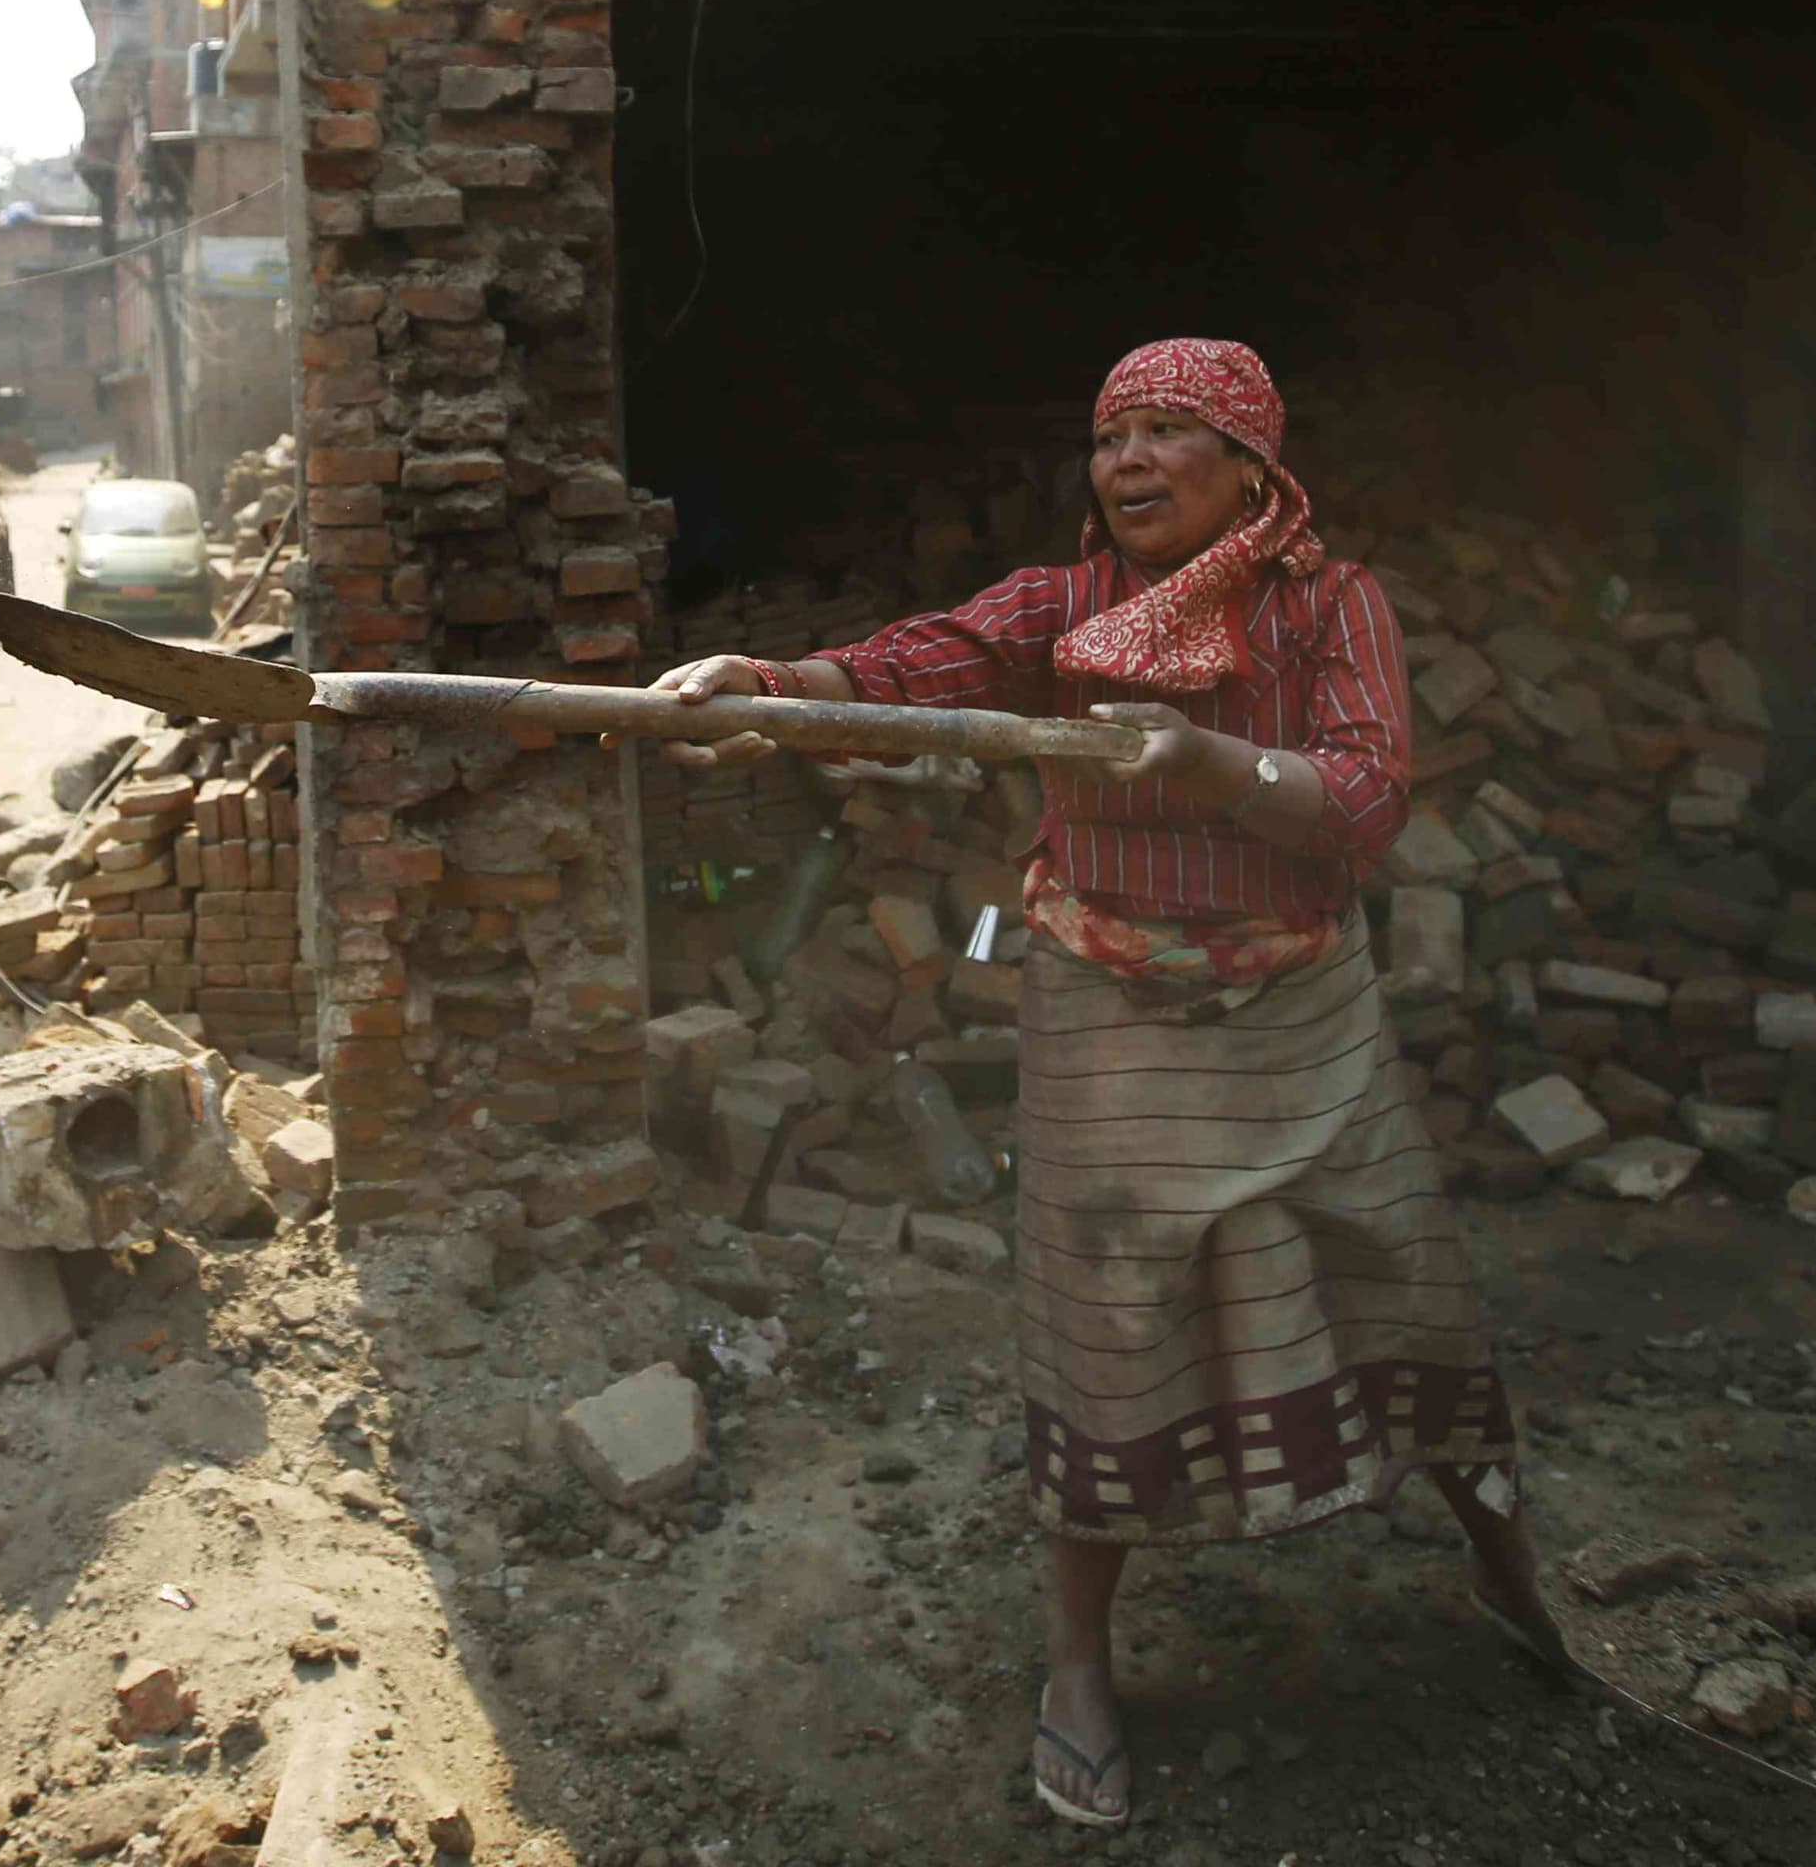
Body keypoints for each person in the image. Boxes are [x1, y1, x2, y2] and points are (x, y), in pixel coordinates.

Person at [640, 338, 1566, 1829]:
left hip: (1298, 1014)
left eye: (1165, 434)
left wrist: (1202, 761)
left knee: (1400, 1275)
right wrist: (767, 682)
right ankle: (1078, 1664)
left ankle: (1503, 1558)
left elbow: (1369, 802)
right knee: (1104, 1329)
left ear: (1253, 469)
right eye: (1109, 436)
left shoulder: (1333, 607)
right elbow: (911, 664)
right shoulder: (1065, 607)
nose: (1125, 463)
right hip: (1106, 1009)